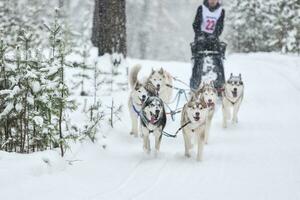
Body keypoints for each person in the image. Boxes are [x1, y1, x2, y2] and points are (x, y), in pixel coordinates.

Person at [190, 0, 226, 92]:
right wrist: (200, 34)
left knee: (218, 58)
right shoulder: (201, 8)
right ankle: (195, 85)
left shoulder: (221, 11)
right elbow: (196, 24)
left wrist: (214, 34)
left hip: (213, 38)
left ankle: (220, 84)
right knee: (198, 59)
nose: (212, 1)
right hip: (200, 38)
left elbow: (220, 26)